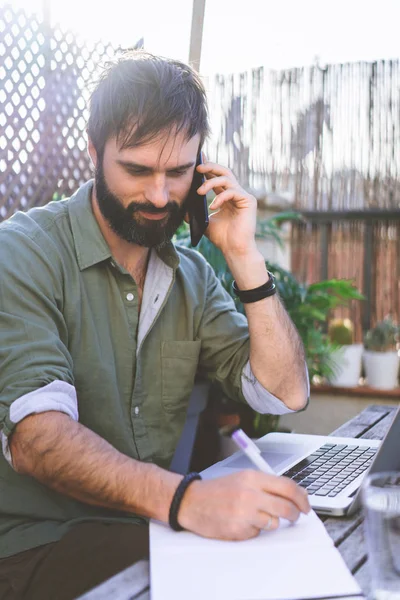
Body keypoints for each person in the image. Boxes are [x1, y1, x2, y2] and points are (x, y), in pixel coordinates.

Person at [0, 51, 310, 599]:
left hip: (147, 531)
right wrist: (187, 500)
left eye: (179, 171)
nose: (161, 195)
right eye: (138, 170)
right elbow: (37, 440)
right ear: (94, 152)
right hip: (33, 548)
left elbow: (283, 394)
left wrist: (243, 257)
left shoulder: (190, 275)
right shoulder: (23, 252)